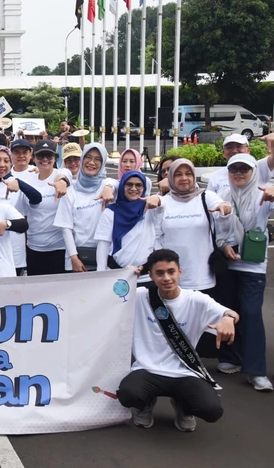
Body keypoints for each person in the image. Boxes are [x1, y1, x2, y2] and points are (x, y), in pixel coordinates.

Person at [117, 249, 238, 432]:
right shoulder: (140, 296)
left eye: (171, 271)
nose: (166, 278)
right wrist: (124, 278)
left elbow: (231, 313)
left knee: (211, 410)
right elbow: (110, 295)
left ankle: (184, 407)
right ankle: (145, 405)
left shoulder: (196, 300)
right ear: (150, 275)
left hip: (185, 372)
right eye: (159, 273)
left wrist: (228, 319)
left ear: (180, 272)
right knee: (128, 394)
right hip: (147, 370)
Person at [215, 154, 274, 391]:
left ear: (253, 171)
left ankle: (256, 371)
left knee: (250, 313)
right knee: (228, 310)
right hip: (228, 262)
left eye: (244, 169)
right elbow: (216, 226)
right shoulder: (223, 194)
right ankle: (231, 356)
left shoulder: (263, 193)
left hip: (253, 264)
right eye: (234, 169)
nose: (238, 173)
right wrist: (223, 245)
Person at [145, 159, 233, 292]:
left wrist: (224, 208)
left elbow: (220, 210)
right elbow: (155, 236)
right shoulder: (163, 202)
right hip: (171, 278)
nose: (184, 178)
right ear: (171, 178)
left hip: (202, 277)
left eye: (188, 173)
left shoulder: (206, 197)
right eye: (178, 174)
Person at [54, 143, 114, 272]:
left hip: (104, 258)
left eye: (98, 159)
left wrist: (109, 187)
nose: (92, 162)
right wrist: (74, 258)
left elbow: (127, 184)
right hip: (77, 259)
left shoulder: (107, 186)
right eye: (88, 157)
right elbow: (66, 228)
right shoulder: (70, 190)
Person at [95, 171, 157, 286]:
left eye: (138, 185)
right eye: (129, 184)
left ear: (144, 187)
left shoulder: (150, 210)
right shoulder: (110, 212)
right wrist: (100, 276)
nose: (133, 188)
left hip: (146, 277)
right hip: (116, 275)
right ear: (122, 186)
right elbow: (103, 246)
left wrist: (158, 197)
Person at [0, 145, 42, 275]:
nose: (2, 165)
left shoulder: (16, 183)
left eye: (6, 161)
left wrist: (20, 184)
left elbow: (37, 199)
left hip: (13, 248)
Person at [23, 140, 71, 275]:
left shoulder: (62, 173)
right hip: (34, 247)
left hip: (59, 247)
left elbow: (65, 175)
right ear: (34, 158)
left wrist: (61, 182)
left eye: (49, 156)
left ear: (55, 158)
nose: (45, 159)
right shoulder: (29, 180)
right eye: (40, 156)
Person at [207, 133, 274, 193]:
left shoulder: (258, 167)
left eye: (239, 146)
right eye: (229, 147)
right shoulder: (215, 176)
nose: (234, 151)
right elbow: (209, 199)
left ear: (248, 150)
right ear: (223, 153)